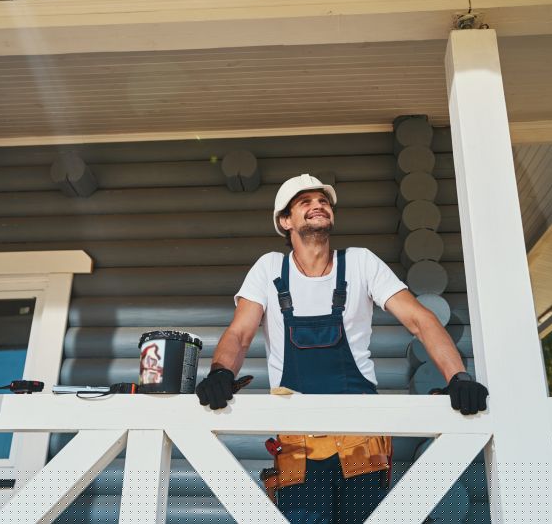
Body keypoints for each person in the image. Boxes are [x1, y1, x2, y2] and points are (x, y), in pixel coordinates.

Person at [196, 174, 488, 524]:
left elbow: (420, 321)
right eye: (305, 202)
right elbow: (240, 333)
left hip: (361, 442)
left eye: (323, 200)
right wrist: (220, 372)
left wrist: (458, 377)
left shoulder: (361, 263)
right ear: (285, 221)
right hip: (298, 445)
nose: (318, 205)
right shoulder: (269, 269)